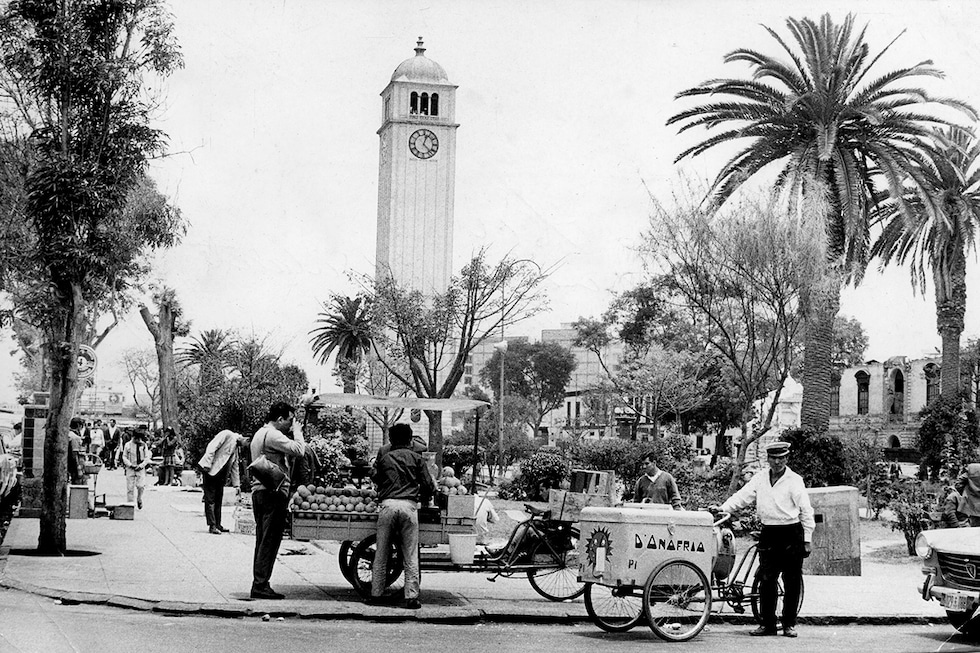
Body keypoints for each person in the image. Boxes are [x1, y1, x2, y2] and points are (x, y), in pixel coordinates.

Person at [715, 441, 814, 638]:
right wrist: (723, 508)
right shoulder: (760, 478)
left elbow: (805, 510)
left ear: (787, 458)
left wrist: (807, 538)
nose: (777, 462)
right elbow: (743, 496)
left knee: (791, 580)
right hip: (769, 532)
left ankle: (788, 624)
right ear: (768, 459)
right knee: (766, 580)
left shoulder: (794, 480)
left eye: (781, 458)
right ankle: (767, 624)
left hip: (791, 532)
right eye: (774, 458)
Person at [369, 423, 436, 609]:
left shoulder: (384, 458)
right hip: (409, 507)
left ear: (390, 439)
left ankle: (376, 594)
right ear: (410, 439)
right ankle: (412, 597)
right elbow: (428, 485)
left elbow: (376, 478)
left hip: (387, 506)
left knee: (381, 553)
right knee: (410, 554)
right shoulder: (417, 458)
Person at [250, 401, 305, 600]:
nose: (291, 425)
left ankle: (260, 582)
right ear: (279, 419)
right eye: (290, 420)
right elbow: (299, 450)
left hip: (260, 491)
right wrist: (298, 432)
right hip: (272, 492)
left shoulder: (260, 433)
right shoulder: (273, 435)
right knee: (270, 540)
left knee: (263, 539)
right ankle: (260, 584)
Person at [199, 429, 245, 534]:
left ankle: (218, 524)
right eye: (247, 442)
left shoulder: (236, 448)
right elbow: (212, 447)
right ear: (244, 438)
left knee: (218, 499)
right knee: (210, 499)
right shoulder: (227, 434)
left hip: (221, 474)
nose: (246, 445)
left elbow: (235, 466)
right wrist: (208, 463)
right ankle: (212, 525)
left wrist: (237, 485)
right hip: (211, 470)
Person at [121, 428, 150, 509]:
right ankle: (130, 505)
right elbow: (124, 457)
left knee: (141, 486)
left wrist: (141, 465)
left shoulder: (143, 445)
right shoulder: (127, 445)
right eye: (136, 438)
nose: (137, 440)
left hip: (140, 468)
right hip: (131, 468)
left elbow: (147, 457)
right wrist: (130, 465)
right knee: (130, 488)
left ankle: (139, 498)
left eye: (139, 438)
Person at [68, 418, 86, 485]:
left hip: (68, 463)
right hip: (73, 464)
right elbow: (74, 453)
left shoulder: (69, 434)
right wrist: (78, 467)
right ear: (78, 425)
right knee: (76, 482)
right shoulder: (74, 437)